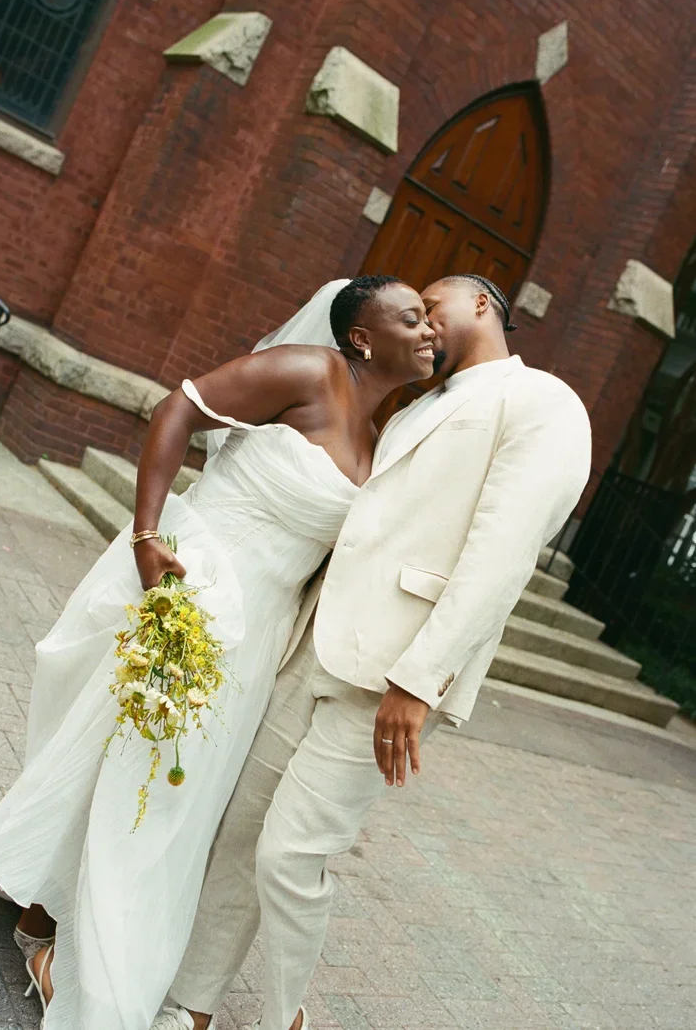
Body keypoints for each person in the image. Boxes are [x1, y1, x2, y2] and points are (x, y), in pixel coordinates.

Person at [0, 276, 438, 1030]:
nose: (429, 330)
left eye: (431, 320)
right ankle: (66, 944)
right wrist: (147, 535)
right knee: (144, 768)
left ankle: (46, 914)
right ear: (363, 336)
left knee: (169, 785)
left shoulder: (381, 444)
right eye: (412, 318)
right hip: (195, 583)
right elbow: (178, 405)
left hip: (259, 634)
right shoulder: (309, 371)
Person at [151, 273, 593, 1030]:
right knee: (240, 831)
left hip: (387, 676)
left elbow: (501, 552)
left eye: (434, 302)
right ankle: (190, 1005)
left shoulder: (545, 404)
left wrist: (420, 681)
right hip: (314, 641)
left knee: (290, 853)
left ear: (482, 304)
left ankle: (285, 1017)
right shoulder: (420, 402)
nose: (422, 318)